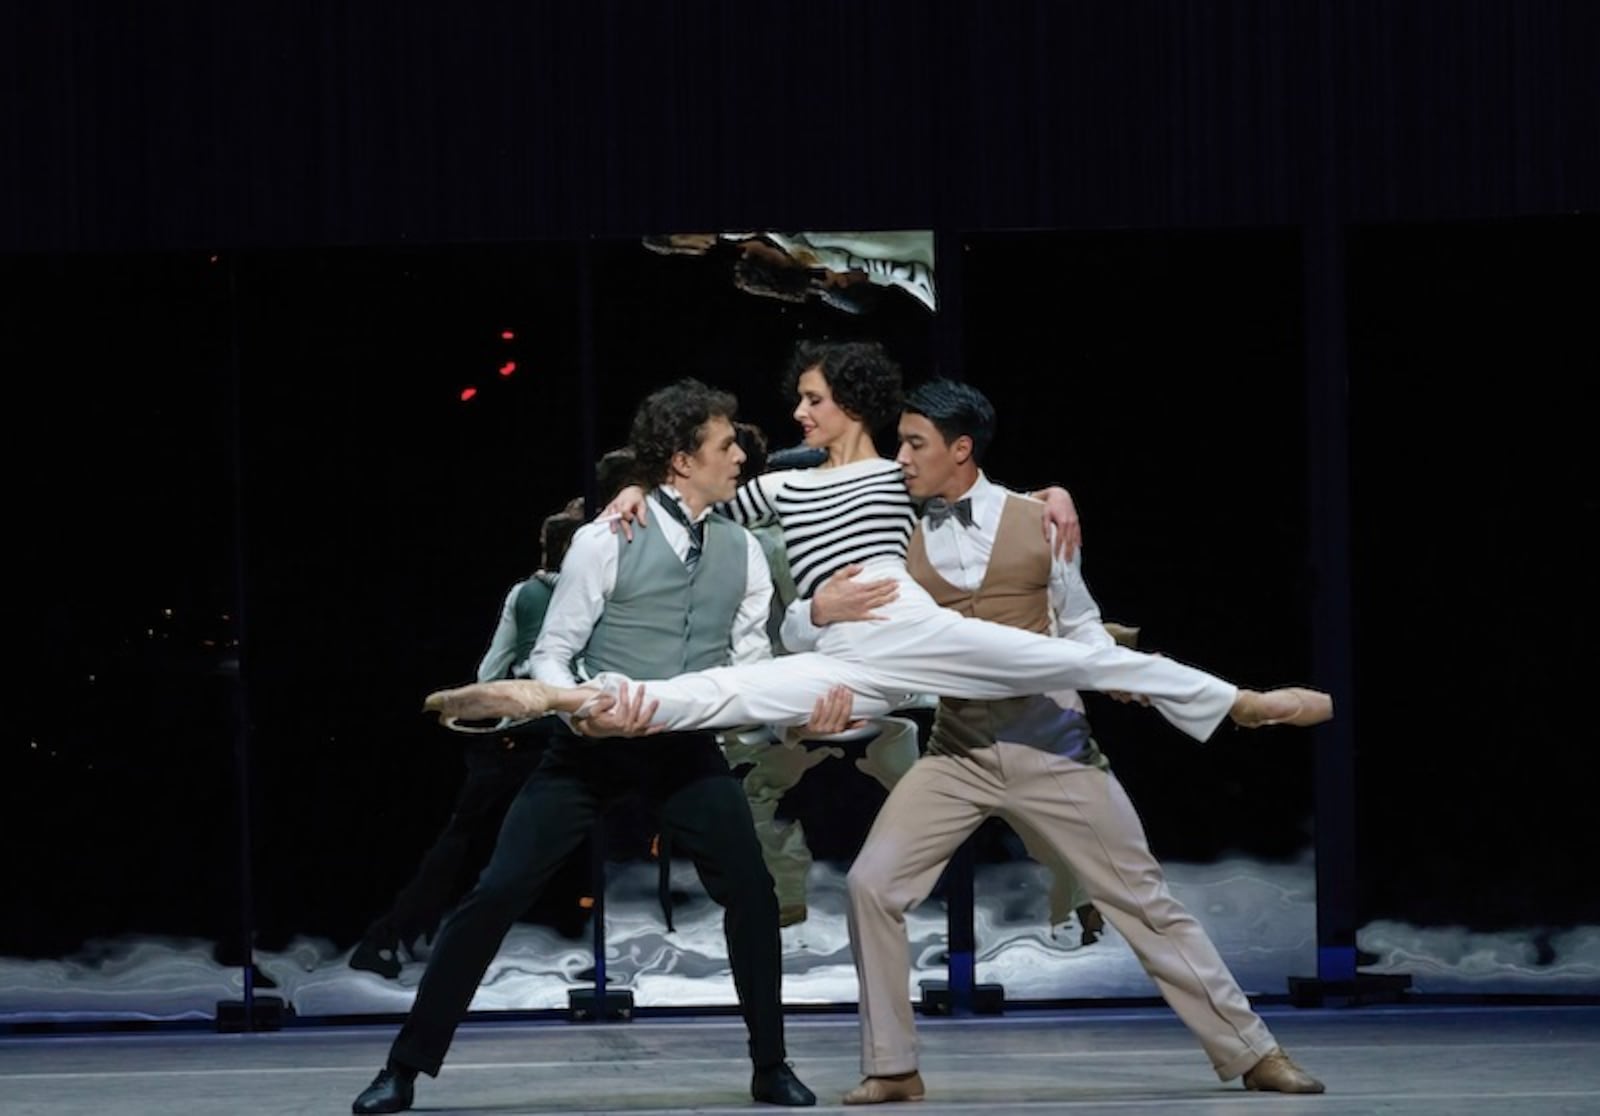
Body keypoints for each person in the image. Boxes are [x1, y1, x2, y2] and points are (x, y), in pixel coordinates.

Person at [801, 378, 1325, 1102]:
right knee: (871, 885)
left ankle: (1253, 1051)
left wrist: (1105, 666)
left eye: (915, 443)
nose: (902, 457)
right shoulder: (899, 523)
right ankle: (892, 1065)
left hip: (1051, 743)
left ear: (961, 449)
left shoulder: (1036, 519)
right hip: (958, 749)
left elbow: (1077, 621)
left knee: (1141, 898)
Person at [424, 341, 1331, 744]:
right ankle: (554, 699)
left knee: (1082, 659)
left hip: (912, 626)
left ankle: (1240, 703)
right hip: (847, 658)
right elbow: (686, 504)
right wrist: (630, 489)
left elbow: (973, 481)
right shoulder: (773, 485)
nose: (798, 410)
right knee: (719, 694)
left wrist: (1052, 491)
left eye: (813, 398)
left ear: (850, 402)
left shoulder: (901, 473)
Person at [352, 381, 838, 1113]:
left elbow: (746, 667)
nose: (741, 455)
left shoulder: (739, 550)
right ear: (681, 460)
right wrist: (583, 711)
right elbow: (552, 653)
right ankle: (404, 1065)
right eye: (726, 445)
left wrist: (787, 715)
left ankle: (770, 1064)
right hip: (590, 748)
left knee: (752, 892)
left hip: (683, 747)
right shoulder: (606, 537)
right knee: (497, 892)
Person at [348, 500, 589, 980]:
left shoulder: (524, 593)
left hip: (513, 739)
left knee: (462, 842)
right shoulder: (592, 594)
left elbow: (489, 671)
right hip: (568, 736)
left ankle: (389, 938)